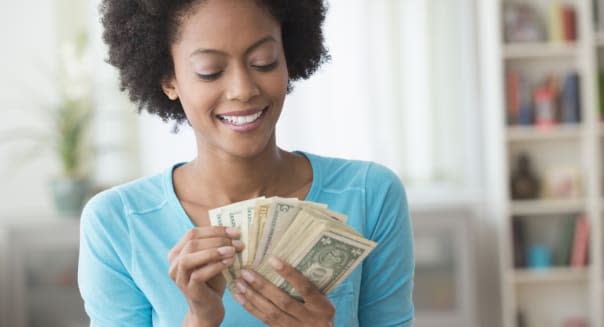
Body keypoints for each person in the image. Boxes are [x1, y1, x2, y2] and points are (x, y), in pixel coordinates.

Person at [77, 0, 415, 326]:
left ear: (288, 60)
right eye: (210, 72)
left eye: (264, 62)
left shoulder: (371, 194)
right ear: (169, 80)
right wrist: (199, 321)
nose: (242, 89)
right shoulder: (116, 222)